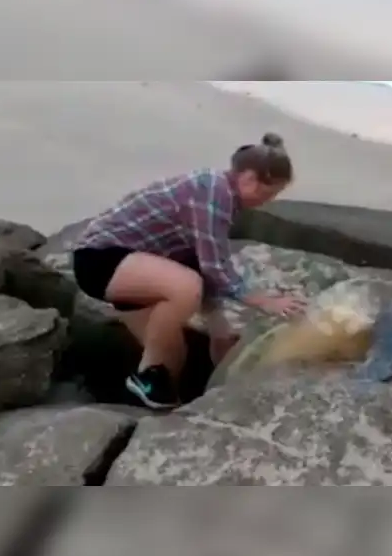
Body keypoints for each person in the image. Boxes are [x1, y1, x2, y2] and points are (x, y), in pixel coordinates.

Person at [70, 132, 308, 410]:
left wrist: (219, 329)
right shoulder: (212, 193)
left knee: (172, 358)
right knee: (185, 288)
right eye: (268, 194)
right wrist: (264, 301)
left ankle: (144, 405)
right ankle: (145, 377)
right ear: (248, 178)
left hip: (137, 269)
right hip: (101, 259)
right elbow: (214, 267)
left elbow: (197, 259)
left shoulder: (219, 196)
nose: (267, 202)